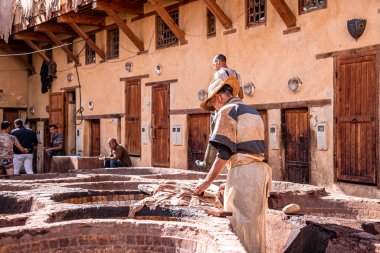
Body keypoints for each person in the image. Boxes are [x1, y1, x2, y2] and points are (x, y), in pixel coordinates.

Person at [194, 77, 272, 253]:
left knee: (241, 226)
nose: (215, 109)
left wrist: (206, 183)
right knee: (256, 226)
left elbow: (223, 154)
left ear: (219, 98)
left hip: (243, 174)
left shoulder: (226, 111)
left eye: (213, 104)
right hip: (258, 175)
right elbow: (248, 151)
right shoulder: (253, 112)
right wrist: (230, 181)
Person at [195, 53, 244, 170]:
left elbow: (215, 93)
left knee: (214, 135)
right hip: (236, 107)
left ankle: (207, 163)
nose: (214, 67)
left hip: (222, 107)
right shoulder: (238, 75)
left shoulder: (219, 73)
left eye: (214, 64)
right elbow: (241, 95)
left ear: (218, 62)